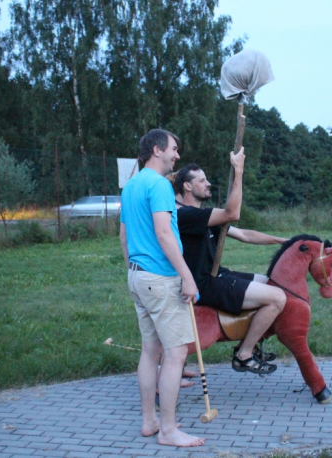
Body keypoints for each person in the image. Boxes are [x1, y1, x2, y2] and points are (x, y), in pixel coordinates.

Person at [120, 129, 205, 448]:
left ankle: (150, 421)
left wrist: (133, 270)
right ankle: (168, 431)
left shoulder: (131, 185)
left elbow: (123, 236)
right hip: (161, 278)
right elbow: (164, 234)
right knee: (176, 353)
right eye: (174, 149)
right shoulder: (158, 185)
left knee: (150, 350)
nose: (177, 155)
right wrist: (187, 276)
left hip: (138, 276)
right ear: (157, 150)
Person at [172, 147, 288, 375]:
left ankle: (249, 343)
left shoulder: (202, 216)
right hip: (201, 284)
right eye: (202, 180)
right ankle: (244, 354)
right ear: (187, 186)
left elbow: (243, 234)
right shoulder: (183, 215)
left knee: (272, 283)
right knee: (277, 298)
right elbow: (232, 213)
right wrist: (239, 171)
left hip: (215, 274)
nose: (208, 184)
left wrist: (283, 241)